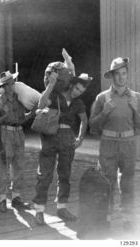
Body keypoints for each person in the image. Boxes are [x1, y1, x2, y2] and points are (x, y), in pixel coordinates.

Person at [32, 68, 90, 225]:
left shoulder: (78, 103)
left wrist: (80, 138)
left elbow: (84, 120)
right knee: (45, 175)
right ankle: (39, 210)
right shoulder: (55, 95)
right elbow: (41, 104)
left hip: (68, 139)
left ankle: (62, 208)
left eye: (82, 91)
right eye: (77, 88)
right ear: (71, 85)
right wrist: (50, 86)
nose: (78, 92)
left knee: (65, 175)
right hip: (50, 137)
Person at [89, 57, 140, 232]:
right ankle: (106, 217)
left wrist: (136, 111)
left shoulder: (136, 98)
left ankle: (127, 217)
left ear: (127, 74)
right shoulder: (102, 98)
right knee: (107, 181)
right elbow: (93, 126)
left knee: (128, 183)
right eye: (117, 74)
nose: (121, 77)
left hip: (128, 145)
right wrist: (104, 113)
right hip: (108, 144)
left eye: (124, 73)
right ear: (112, 76)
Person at [0, 71, 34, 212]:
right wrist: (4, 117)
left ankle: (16, 198)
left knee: (18, 166)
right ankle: (2, 199)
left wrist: (31, 113)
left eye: (13, 82)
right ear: (6, 86)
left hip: (19, 133)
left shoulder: (19, 100)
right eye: (12, 83)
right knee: (3, 167)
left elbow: (20, 119)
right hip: (5, 135)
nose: (14, 85)